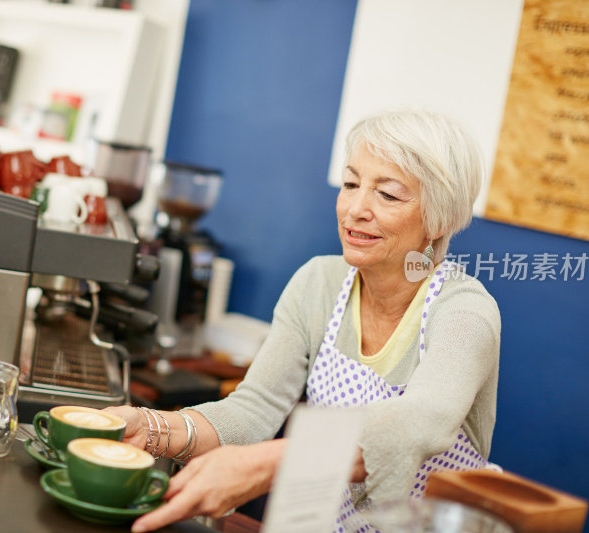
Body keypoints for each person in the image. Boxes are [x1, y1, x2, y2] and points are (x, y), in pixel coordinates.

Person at [107, 108, 501, 533]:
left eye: (387, 194)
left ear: (439, 219)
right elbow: (254, 409)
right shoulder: (319, 282)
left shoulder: (465, 311)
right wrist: (151, 427)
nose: (355, 209)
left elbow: (420, 420)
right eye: (350, 184)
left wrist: (265, 464)